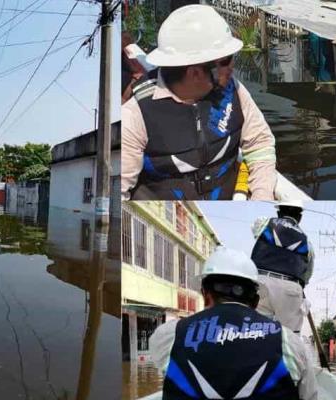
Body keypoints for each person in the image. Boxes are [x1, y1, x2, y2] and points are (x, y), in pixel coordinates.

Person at [121, 4, 279, 201]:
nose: (232, 66)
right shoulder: (135, 116)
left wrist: (261, 197)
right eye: (226, 60)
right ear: (194, 72)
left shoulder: (234, 90)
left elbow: (260, 143)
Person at [149, 247, 317, 400]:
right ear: (255, 301)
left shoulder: (168, 336)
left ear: (205, 295)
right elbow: (309, 396)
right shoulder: (289, 342)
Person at [251, 200, 313, 333]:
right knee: (290, 338)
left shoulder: (264, 223)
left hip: (261, 283)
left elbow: (255, 233)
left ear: (278, 212)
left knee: (257, 333)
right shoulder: (307, 242)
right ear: (300, 217)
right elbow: (307, 273)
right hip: (290, 288)